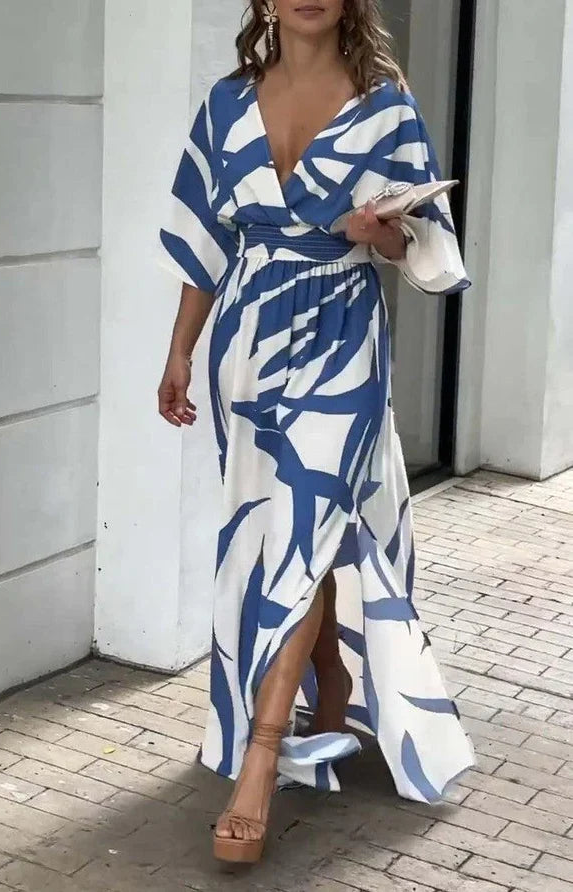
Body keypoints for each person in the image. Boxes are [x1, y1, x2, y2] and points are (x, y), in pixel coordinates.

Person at [157, 0, 474, 865]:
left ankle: (261, 760)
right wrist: (180, 351)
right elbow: (204, 243)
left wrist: (383, 236)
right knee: (278, 530)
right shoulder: (226, 103)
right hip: (248, 341)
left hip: (342, 336)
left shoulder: (386, 104)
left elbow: (425, 243)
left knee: (306, 523)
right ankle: (329, 678)